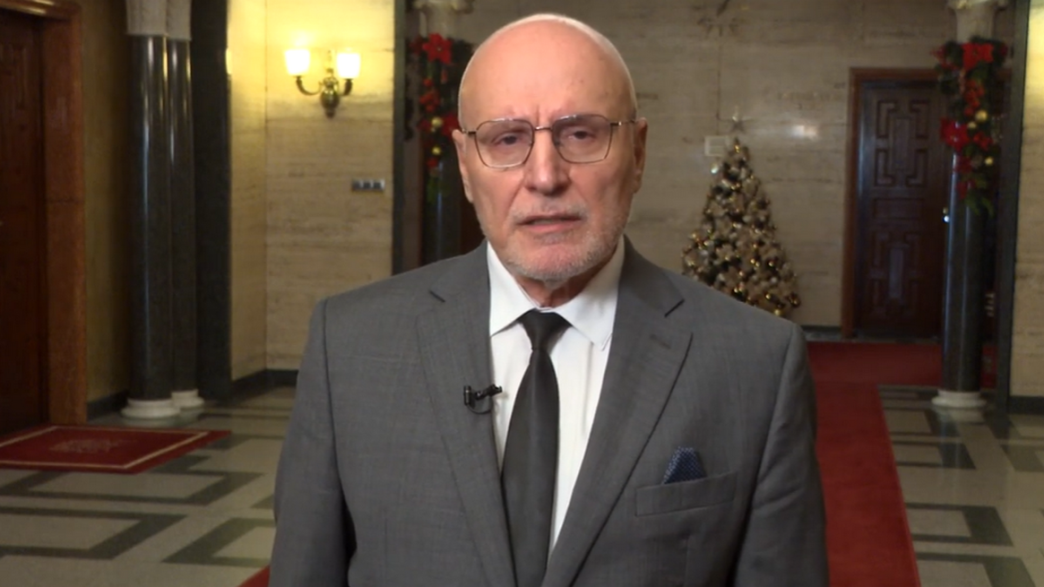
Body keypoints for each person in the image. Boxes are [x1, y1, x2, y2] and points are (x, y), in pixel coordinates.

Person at [269, 13, 827, 587]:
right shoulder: (349, 344)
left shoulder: (756, 362)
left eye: (580, 134)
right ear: (466, 167)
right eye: (507, 139)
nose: (544, 176)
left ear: (637, 153)